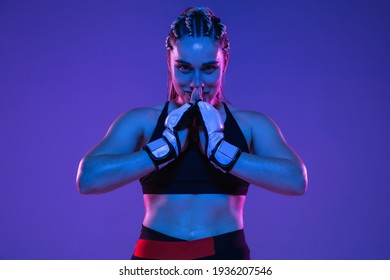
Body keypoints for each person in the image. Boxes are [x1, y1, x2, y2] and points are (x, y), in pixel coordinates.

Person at [76, 6, 308, 260]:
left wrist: (225, 153)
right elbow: (88, 179)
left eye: (209, 68)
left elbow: (296, 181)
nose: (197, 83)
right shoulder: (143, 121)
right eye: (184, 68)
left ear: (225, 62)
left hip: (225, 259)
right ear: (169, 62)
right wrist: (160, 151)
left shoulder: (249, 124)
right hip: (155, 260)